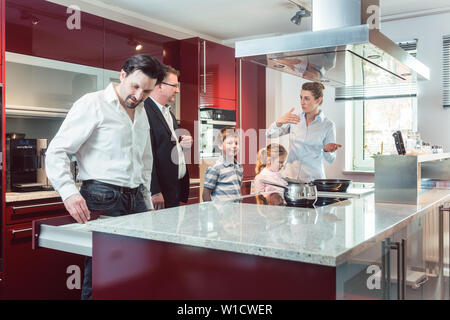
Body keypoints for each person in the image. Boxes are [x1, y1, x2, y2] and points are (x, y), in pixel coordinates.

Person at [45, 53, 166, 300]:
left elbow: (144, 161)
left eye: (146, 91)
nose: (139, 96)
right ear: (122, 74)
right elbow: (57, 151)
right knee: (103, 276)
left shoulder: (141, 111)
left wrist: (146, 199)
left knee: (135, 272)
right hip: (102, 197)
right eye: (135, 86)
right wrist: (69, 192)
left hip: (136, 200)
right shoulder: (93, 104)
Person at [266, 82, 342, 182]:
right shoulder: (295, 119)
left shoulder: (327, 125)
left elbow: (331, 160)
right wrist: (278, 122)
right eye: (301, 97)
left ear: (318, 100)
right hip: (290, 179)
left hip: (312, 181)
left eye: (306, 98)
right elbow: (269, 134)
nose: (302, 102)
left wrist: (326, 150)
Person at [144, 65, 192, 209]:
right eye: (174, 86)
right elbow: (147, 154)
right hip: (159, 193)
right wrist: (154, 191)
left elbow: (165, 149)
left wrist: (182, 146)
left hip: (173, 189)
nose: (177, 90)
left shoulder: (168, 113)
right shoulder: (145, 111)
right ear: (159, 85)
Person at [202, 127, 243, 201]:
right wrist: (210, 210)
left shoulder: (239, 167)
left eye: (236, 143)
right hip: (220, 212)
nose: (234, 146)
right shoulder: (215, 168)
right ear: (220, 145)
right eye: (230, 143)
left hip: (236, 210)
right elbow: (206, 194)